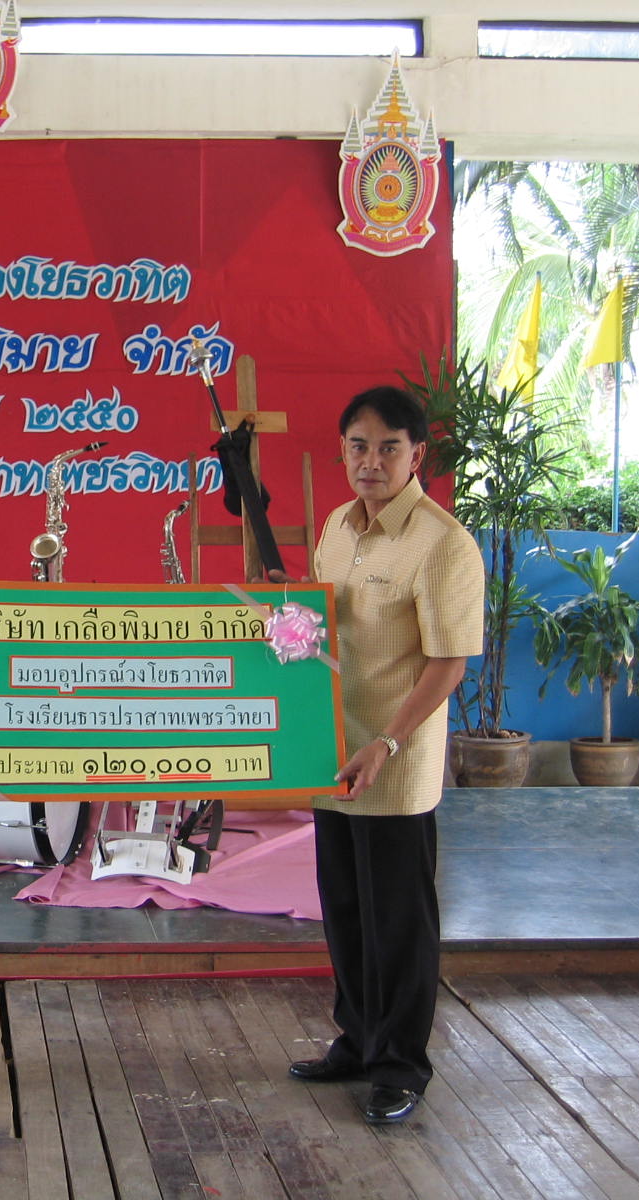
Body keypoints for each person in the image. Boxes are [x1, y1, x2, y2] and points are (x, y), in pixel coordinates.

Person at [279, 385, 483, 1125]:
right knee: (344, 909)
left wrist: (388, 741)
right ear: (343, 451)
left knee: (398, 919)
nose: (371, 461)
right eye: (358, 447)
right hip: (332, 751)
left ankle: (401, 1065)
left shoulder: (443, 543)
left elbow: (449, 662)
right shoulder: (338, 526)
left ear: (416, 454)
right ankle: (358, 1041)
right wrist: (288, 616)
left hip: (393, 762)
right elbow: (327, 621)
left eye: (388, 448)